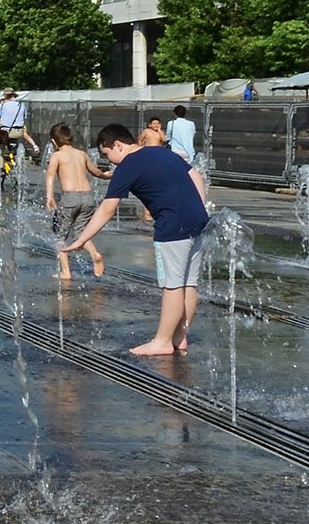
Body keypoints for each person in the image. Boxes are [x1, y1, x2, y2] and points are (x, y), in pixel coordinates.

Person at [63, 123, 209, 356]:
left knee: (172, 285)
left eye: (106, 154)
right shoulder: (162, 151)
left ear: (117, 145)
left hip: (171, 227)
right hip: (197, 221)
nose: (109, 161)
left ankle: (162, 341)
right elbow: (196, 175)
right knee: (188, 283)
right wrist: (198, 209)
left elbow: (107, 209)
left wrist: (82, 239)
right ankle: (180, 336)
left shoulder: (128, 165)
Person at [44, 123, 109, 280]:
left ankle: (66, 272)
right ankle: (94, 254)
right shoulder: (82, 154)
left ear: (54, 141)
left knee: (59, 236)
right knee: (81, 233)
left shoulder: (57, 156)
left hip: (70, 197)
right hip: (87, 197)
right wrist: (108, 175)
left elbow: (50, 175)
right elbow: (97, 172)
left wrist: (49, 196)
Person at [0, 88, 40, 166]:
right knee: (16, 145)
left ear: (6, 96)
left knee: (0, 150)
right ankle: (17, 164)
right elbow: (23, 118)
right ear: (14, 95)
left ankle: (0, 168)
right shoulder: (22, 106)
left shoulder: (2, 105)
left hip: (6, 133)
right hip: (18, 132)